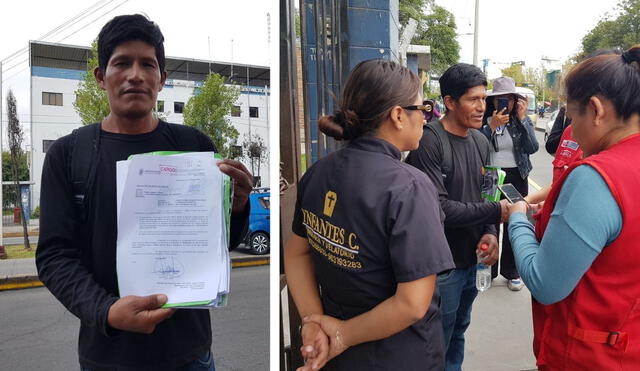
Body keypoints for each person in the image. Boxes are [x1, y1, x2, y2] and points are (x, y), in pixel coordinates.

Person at [35, 14, 253, 371]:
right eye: (122, 62)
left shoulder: (195, 148)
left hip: (190, 355)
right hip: (108, 357)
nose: (135, 74)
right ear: (101, 77)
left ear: (162, 79)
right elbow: (55, 256)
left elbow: (216, 245)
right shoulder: (68, 154)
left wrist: (238, 206)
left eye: (147, 64)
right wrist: (105, 311)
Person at [285, 59, 455, 371]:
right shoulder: (410, 188)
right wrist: (340, 334)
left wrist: (313, 323)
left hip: (338, 355)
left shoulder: (318, 173)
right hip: (398, 355)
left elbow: (295, 254)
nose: (427, 119)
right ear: (399, 115)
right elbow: (412, 303)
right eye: (423, 108)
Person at [506, 45, 640, 369]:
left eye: (571, 116)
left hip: (584, 355)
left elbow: (545, 282)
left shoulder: (597, 177)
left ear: (595, 110)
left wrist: (518, 220)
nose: (572, 133)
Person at [405, 63, 509, 371]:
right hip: (441, 266)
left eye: (483, 98)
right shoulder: (429, 142)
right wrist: (496, 212)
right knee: (436, 338)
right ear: (449, 102)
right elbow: (438, 209)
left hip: (473, 259)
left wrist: (491, 232)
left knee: (459, 331)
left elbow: (489, 192)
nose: (482, 107)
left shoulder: (481, 140)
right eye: (473, 100)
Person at [479, 76, 539, 291]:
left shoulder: (521, 121)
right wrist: (490, 127)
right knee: (489, 221)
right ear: (492, 102)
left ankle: (512, 272)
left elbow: (532, 148)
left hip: (517, 176)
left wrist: (523, 121)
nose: (505, 104)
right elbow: (476, 149)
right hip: (491, 176)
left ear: (516, 101)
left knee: (515, 221)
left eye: (509, 99)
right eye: (499, 100)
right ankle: (488, 270)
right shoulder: (483, 121)